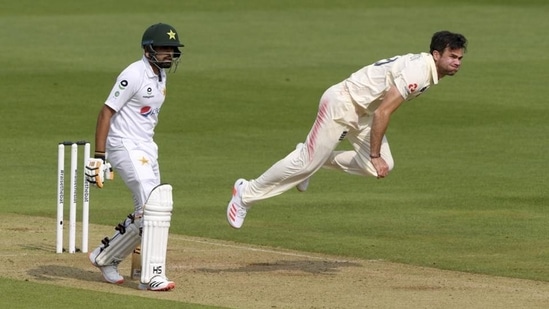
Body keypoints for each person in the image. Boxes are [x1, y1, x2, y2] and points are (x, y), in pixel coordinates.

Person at [227, 30, 467, 229]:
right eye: (452, 56)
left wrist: (376, 157)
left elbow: (379, 110)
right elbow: (384, 112)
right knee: (306, 163)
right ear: (436, 55)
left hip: (362, 112)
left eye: (460, 58)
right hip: (343, 103)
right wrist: (373, 154)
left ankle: (316, 159)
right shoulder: (418, 71)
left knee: (381, 165)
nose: (457, 62)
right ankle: (245, 193)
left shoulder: (424, 68)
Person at [85, 22, 184, 291]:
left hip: (146, 147)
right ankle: (153, 275)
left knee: (146, 212)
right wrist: (99, 156)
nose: (169, 54)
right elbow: (107, 111)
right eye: (164, 48)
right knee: (155, 209)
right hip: (123, 146)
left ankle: (104, 257)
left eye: (172, 49)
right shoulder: (133, 74)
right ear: (147, 49)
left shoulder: (161, 75)